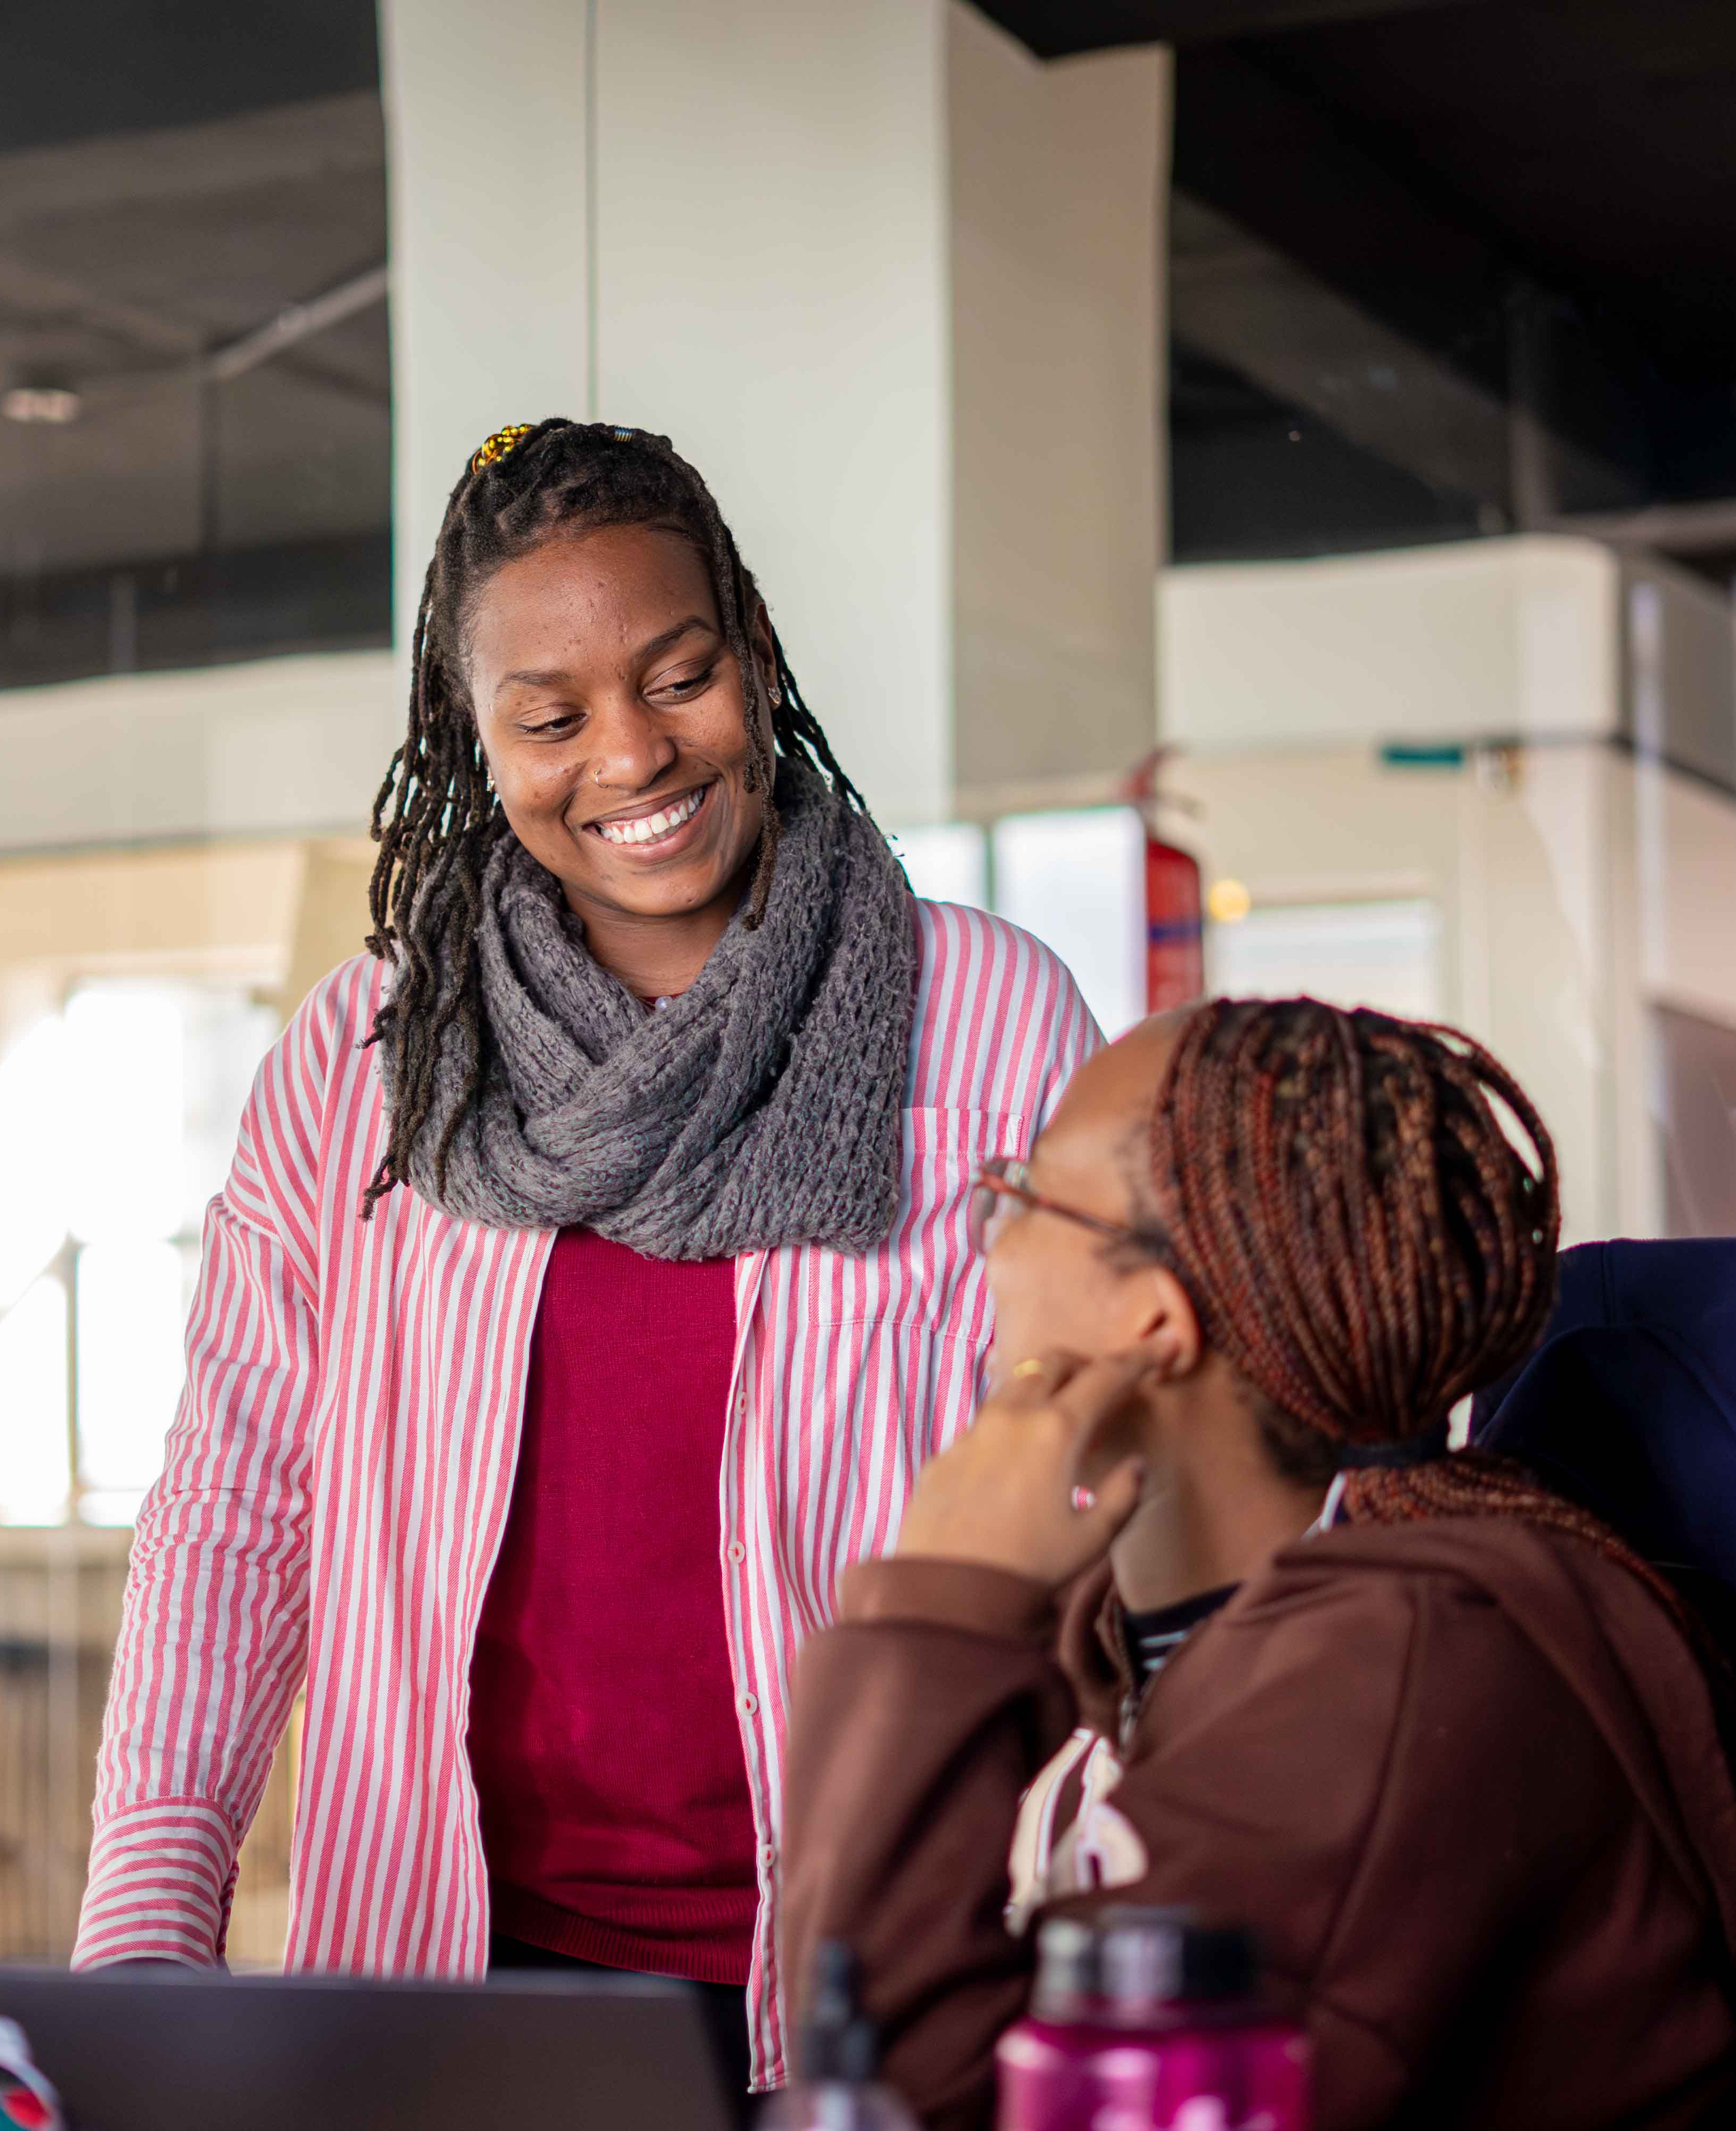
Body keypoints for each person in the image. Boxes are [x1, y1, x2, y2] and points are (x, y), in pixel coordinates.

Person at [72, 419, 1100, 2093]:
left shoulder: (985, 1018)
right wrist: (142, 1941)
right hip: (446, 1983)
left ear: (754, 658)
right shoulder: (373, 1061)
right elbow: (238, 1503)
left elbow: (1095, 1478)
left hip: (880, 1981)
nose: (630, 756)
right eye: (549, 719)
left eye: (677, 676)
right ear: (475, 745)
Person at [777, 999, 1736, 2131]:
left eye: (1022, 1194)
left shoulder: (1397, 1676)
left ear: (1153, 1322)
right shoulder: (1167, 1645)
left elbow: (894, 2096)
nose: (986, 1233)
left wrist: (939, 1605)